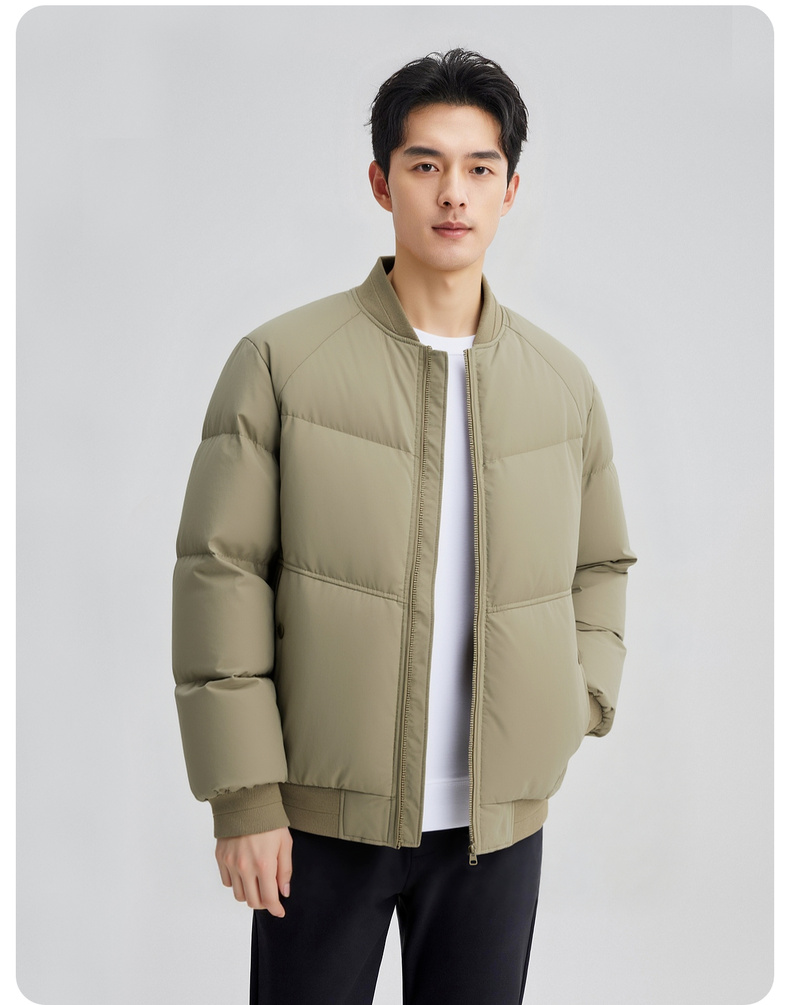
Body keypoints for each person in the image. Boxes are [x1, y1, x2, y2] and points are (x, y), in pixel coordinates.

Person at [172, 48, 637, 1005]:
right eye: (425, 165)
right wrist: (246, 796)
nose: (453, 192)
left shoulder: (561, 384)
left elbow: (602, 562)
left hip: (495, 830)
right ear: (382, 183)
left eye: (478, 168)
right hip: (320, 822)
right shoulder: (282, 362)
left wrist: (577, 696)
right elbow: (221, 573)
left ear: (510, 190)